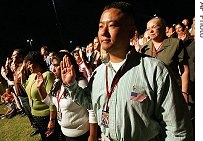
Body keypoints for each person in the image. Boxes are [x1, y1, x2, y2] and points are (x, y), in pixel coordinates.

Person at [60, 2, 193, 141]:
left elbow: (177, 130)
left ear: (131, 32)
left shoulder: (155, 71)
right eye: (100, 26)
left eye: (112, 25)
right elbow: (91, 102)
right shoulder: (98, 73)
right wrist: (71, 85)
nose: (103, 32)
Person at [37, 52, 98, 141]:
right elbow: (51, 102)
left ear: (67, 65)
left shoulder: (80, 83)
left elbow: (92, 109)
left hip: (81, 134)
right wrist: (40, 88)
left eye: (57, 65)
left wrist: (92, 136)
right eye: (53, 65)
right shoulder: (57, 82)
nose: (53, 69)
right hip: (64, 132)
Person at [141, 17, 190, 104]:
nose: (150, 31)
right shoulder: (144, 48)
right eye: (148, 29)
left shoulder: (175, 43)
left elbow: (184, 69)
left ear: (164, 28)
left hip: (171, 91)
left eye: (154, 27)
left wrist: (184, 92)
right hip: (151, 93)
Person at [20, 51, 59, 141]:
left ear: (37, 62)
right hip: (35, 115)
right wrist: (22, 73)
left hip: (46, 115)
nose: (28, 67)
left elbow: (52, 100)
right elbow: (25, 87)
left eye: (29, 64)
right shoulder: (32, 76)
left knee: (52, 138)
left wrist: (52, 120)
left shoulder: (47, 75)